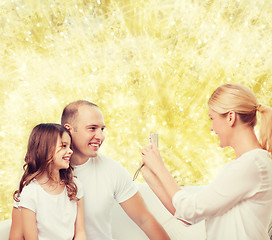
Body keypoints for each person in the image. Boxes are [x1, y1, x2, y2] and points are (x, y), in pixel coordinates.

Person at [141, 83, 272, 240]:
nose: (211, 127)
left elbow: (190, 210)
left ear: (230, 117)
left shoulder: (253, 164)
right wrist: (151, 176)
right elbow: (185, 216)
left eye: (212, 118)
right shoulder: (241, 165)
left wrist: (159, 167)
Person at [61, 100, 170, 240]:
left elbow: (145, 220)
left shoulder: (112, 169)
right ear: (69, 129)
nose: (101, 137)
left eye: (102, 129)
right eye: (92, 128)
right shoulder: (47, 172)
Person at [9, 123, 86, 240]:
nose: (70, 151)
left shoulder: (75, 186)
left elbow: (80, 233)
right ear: (45, 149)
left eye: (70, 147)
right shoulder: (30, 193)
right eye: (64, 146)